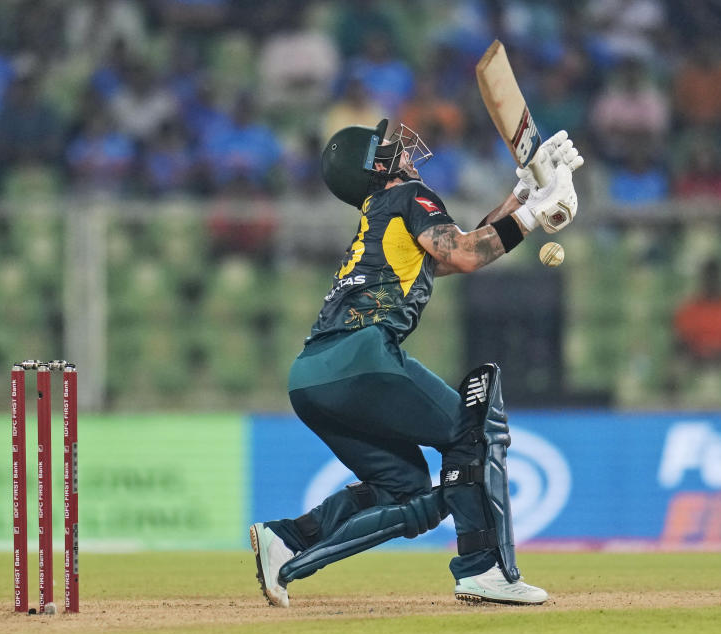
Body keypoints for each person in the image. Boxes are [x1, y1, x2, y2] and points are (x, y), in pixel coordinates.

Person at [249, 119, 583, 607]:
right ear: (374, 168)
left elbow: (454, 253)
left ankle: (289, 540)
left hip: (311, 376)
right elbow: (467, 254)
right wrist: (534, 216)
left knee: (402, 490)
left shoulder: (382, 216)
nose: (402, 150)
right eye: (387, 148)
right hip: (360, 356)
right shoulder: (409, 196)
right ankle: (483, 568)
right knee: (472, 430)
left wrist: (520, 198)